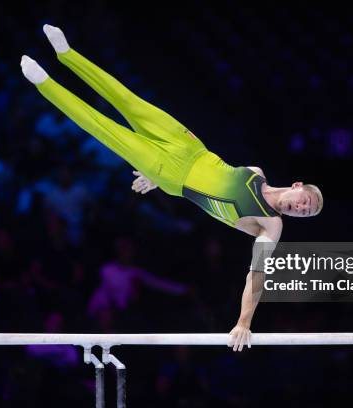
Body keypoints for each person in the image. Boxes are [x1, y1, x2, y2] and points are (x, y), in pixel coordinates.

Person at [20, 25, 324, 352]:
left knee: (101, 126)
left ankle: (45, 84)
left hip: (172, 175)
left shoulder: (270, 225)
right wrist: (154, 180)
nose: (301, 208)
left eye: (306, 213)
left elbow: (257, 276)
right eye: (305, 201)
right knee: (126, 98)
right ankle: (67, 54)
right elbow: (212, 176)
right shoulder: (256, 172)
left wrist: (243, 321)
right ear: (297, 186)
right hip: (188, 143)